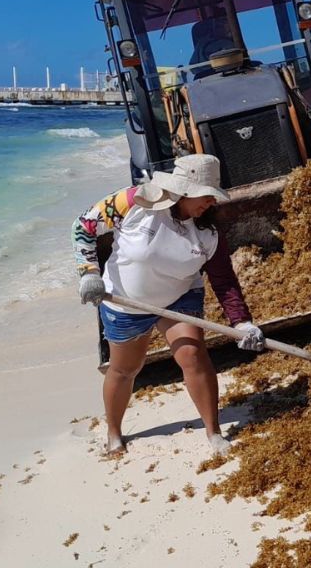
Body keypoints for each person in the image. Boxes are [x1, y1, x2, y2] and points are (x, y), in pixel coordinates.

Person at [73, 154, 266, 456]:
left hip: (179, 296)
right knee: (125, 369)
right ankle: (114, 432)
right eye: (206, 195)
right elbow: (83, 226)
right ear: (184, 191)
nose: (211, 202)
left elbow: (224, 281)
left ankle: (214, 432)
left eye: (213, 196)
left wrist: (242, 322)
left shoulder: (209, 232)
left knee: (193, 354)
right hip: (126, 301)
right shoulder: (135, 201)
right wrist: (88, 273)